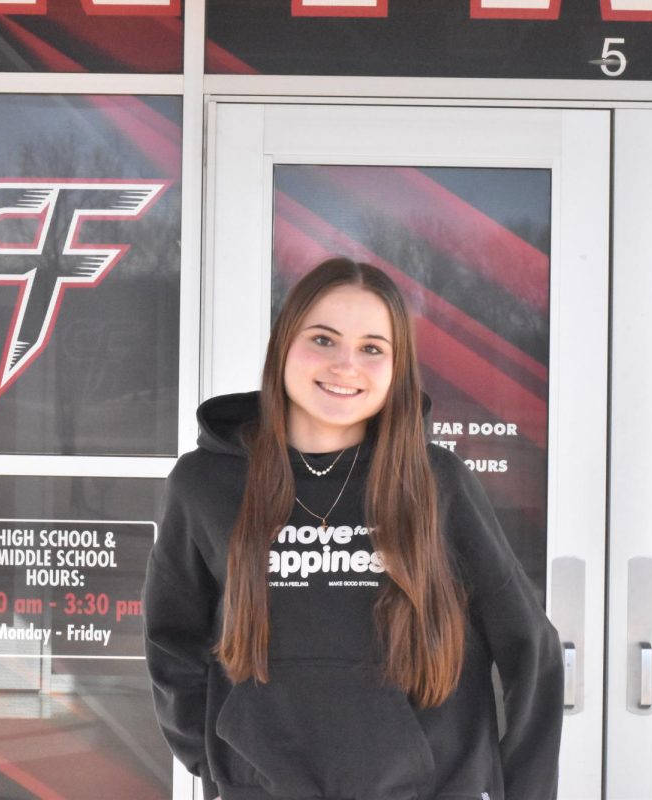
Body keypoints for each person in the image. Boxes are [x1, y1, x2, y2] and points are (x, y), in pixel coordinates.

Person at [143, 257, 563, 800]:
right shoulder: (205, 483)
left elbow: (532, 647)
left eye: (372, 348)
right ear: (283, 346)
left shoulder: (437, 482)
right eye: (322, 339)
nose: (346, 365)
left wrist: (522, 789)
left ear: (397, 368)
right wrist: (217, 761)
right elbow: (171, 638)